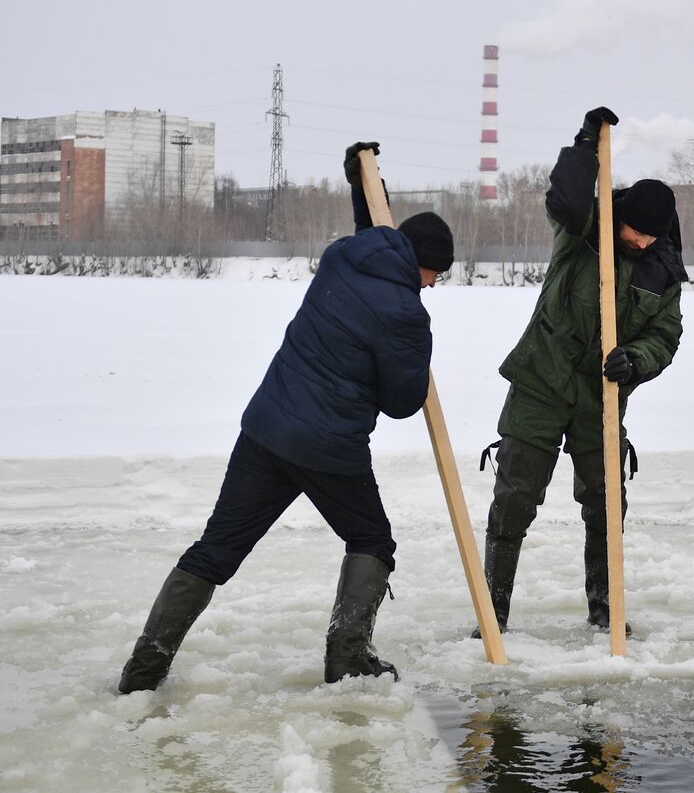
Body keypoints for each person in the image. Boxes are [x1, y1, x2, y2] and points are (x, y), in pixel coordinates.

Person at [117, 142, 454, 693]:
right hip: (329, 448)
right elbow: (401, 402)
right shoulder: (405, 315)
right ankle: (347, 657)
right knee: (372, 539)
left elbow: (374, 233)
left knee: (216, 548)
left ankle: (143, 670)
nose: (435, 284)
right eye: (435, 273)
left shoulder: (342, 258)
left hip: (267, 430)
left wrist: (361, 182)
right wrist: (420, 347)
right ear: (421, 265)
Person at [477, 106, 686, 636]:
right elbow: (566, 198)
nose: (640, 243)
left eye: (650, 238)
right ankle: (492, 614)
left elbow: (665, 335)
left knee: (605, 504)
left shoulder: (663, 268)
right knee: (513, 502)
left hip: (603, 396)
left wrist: (634, 360)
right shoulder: (584, 231)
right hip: (541, 382)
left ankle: (605, 609)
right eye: (635, 233)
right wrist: (585, 146)